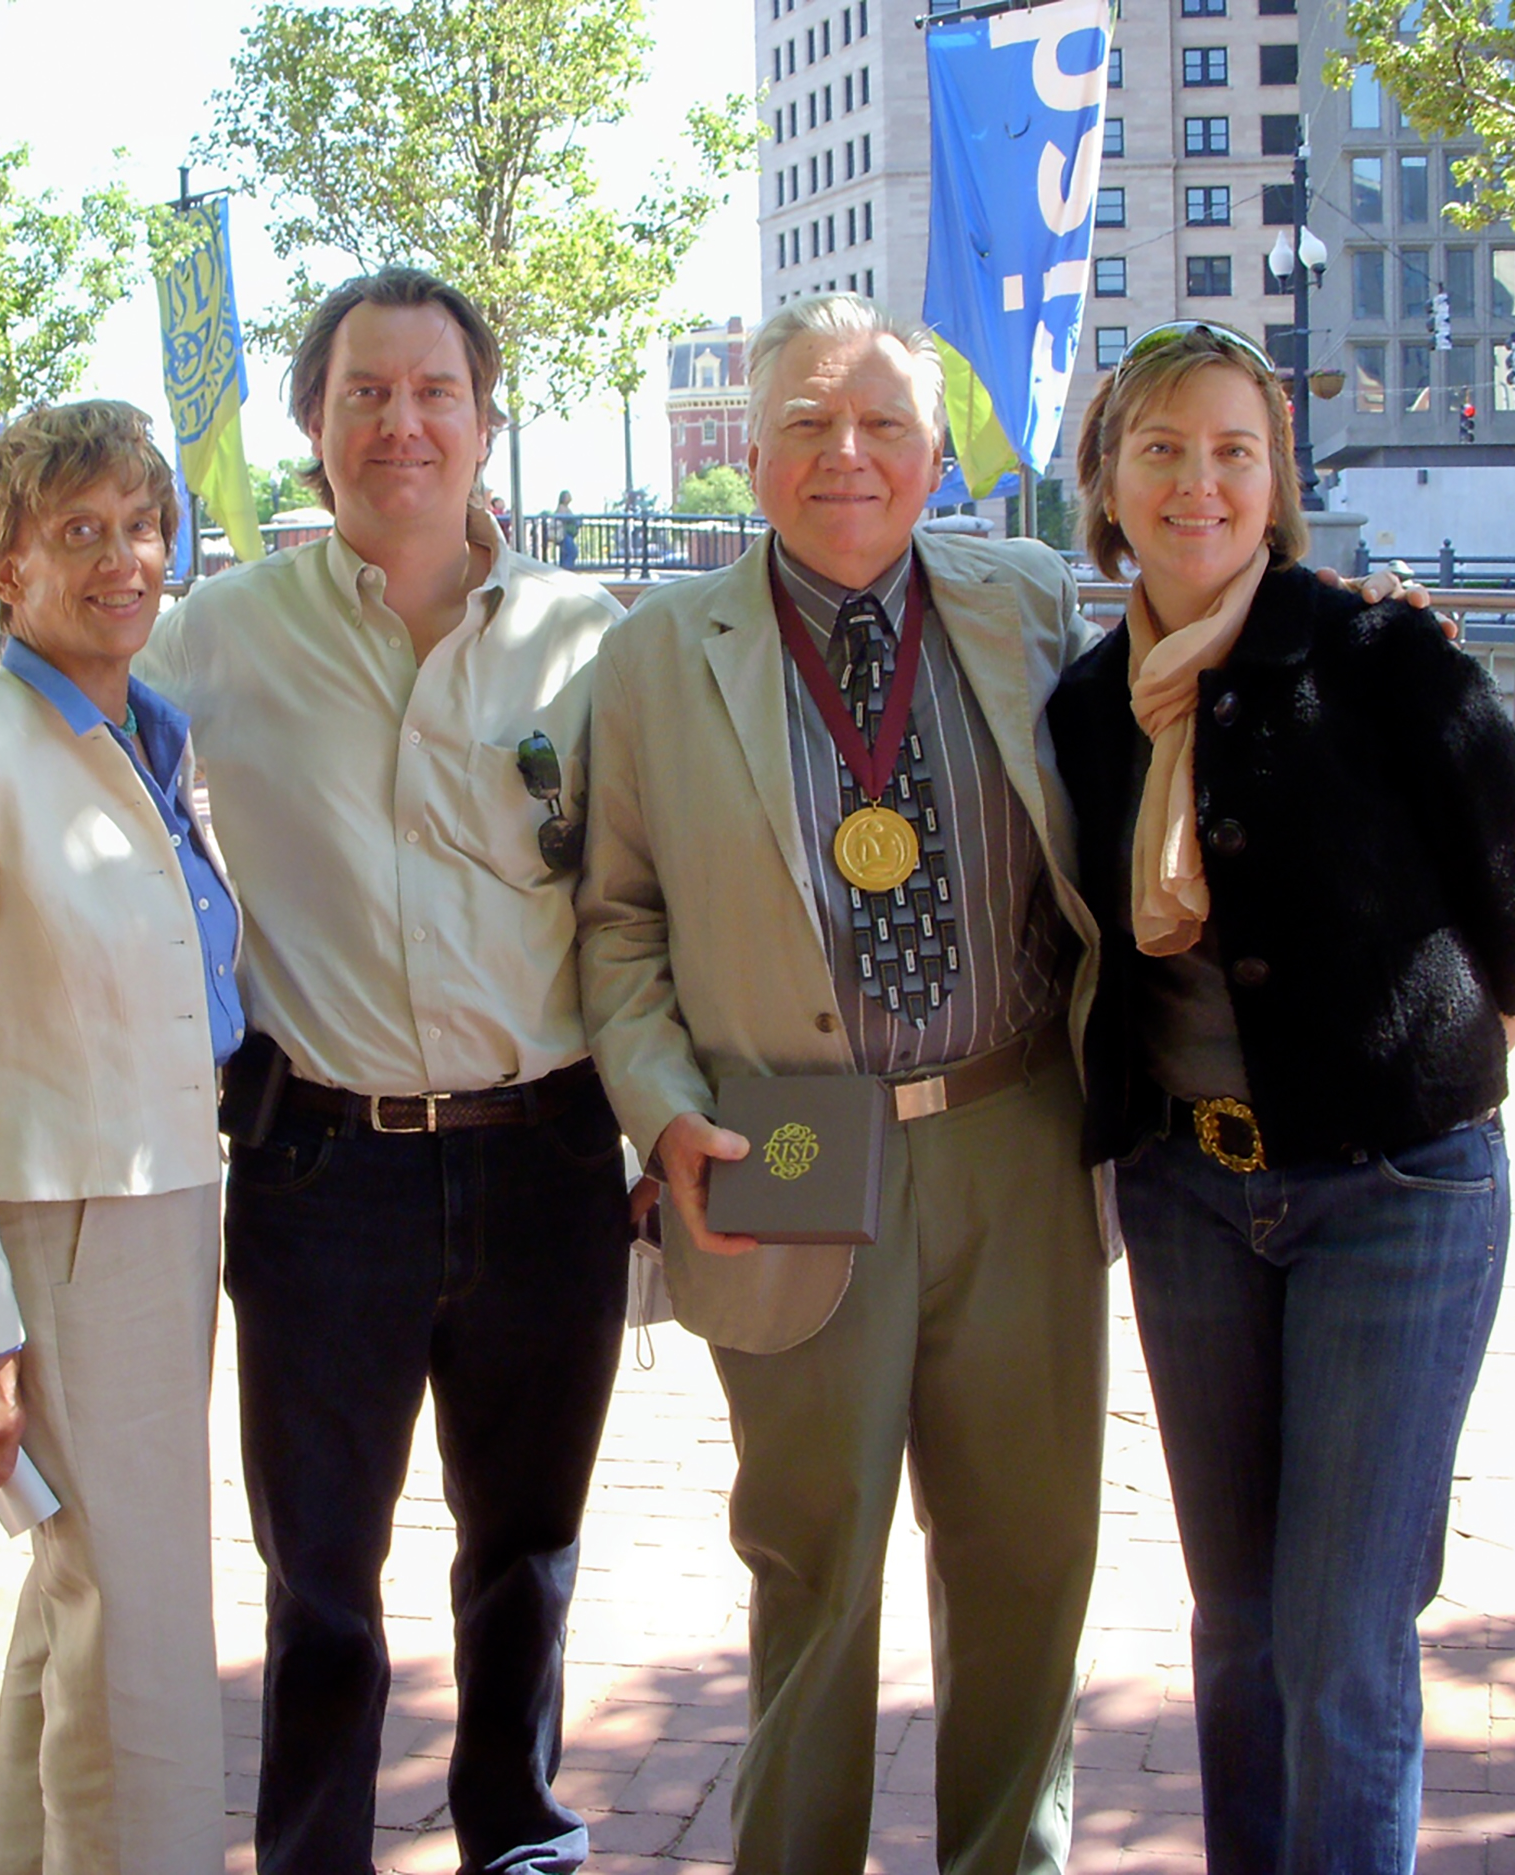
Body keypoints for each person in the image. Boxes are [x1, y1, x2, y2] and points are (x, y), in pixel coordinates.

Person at [1044, 321, 1515, 1874]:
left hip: (1396, 1196)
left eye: (1234, 449)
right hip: (1189, 1193)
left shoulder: (1378, 655)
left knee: (1344, 1634)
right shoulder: (1092, 708)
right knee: (1238, 1622)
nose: (1197, 482)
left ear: (1278, 481)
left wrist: (1426, 1057)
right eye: (1160, 447)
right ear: (1105, 479)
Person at [576, 294, 1108, 1875]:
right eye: (807, 422)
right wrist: (668, 1115)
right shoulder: (660, 652)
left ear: (939, 452)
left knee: (1028, 1556)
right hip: (792, 1127)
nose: (847, 454)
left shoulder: (1026, 604)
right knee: (814, 1558)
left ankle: (1011, 1856)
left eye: (882, 422)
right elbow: (616, 927)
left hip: (1016, 1115)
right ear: (753, 451)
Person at [133, 267, 633, 1875]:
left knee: (527, 1547)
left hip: (549, 1153)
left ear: (487, 423)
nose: (400, 424)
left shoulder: (591, 642)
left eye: (434, 393)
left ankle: (519, 1833)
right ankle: (313, 1853)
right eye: (364, 393)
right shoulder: (210, 643)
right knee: (320, 1570)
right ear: (312, 424)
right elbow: (50, 735)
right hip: (318, 1168)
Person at [0, 400, 244, 1874]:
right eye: (78, 531)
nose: (123, 558)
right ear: (3, 563)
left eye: (144, 526)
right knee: (141, 1637)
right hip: (67, 1231)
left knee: (84, 1599)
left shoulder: (147, 732)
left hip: (162, 1212)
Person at [555, 488, 580, 570]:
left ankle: (565, 568)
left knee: (567, 552)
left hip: (567, 534)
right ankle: (567, 569)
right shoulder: (562, 508)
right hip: (565, 534)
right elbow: (564, 519)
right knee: (572, 552)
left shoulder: (565, 508)